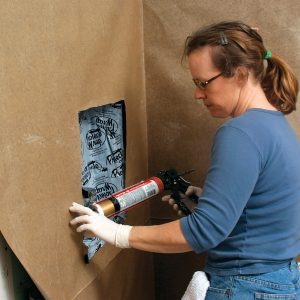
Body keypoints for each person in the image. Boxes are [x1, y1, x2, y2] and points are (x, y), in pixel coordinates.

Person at [69, 21, 300, 299]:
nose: (197, 94)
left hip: (245, 287)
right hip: (279, 282)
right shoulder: (277, 126)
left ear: (239, 75)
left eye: (203, 83)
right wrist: (212, 200)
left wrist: (118, 234)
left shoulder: (239, 133)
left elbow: (204, 232)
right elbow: (269, 209)